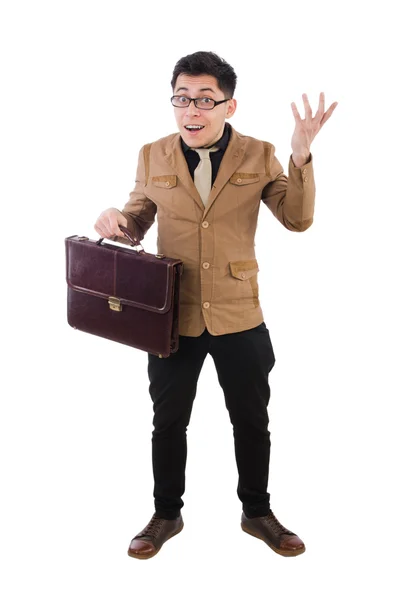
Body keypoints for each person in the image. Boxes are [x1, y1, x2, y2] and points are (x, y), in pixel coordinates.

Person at [94, 51, 338, 560]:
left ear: (229, 106)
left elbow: (297, 220)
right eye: (182, 98)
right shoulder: (153, 153)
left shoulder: (260, 153)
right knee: (168, 422)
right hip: (171, 316)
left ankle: (257, 513)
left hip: (239, 312)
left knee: (251, 419)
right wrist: (116, 217)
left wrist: (300, 158)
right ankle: (165, 514)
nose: (192, 110)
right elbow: (137, 218)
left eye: (205, 99)